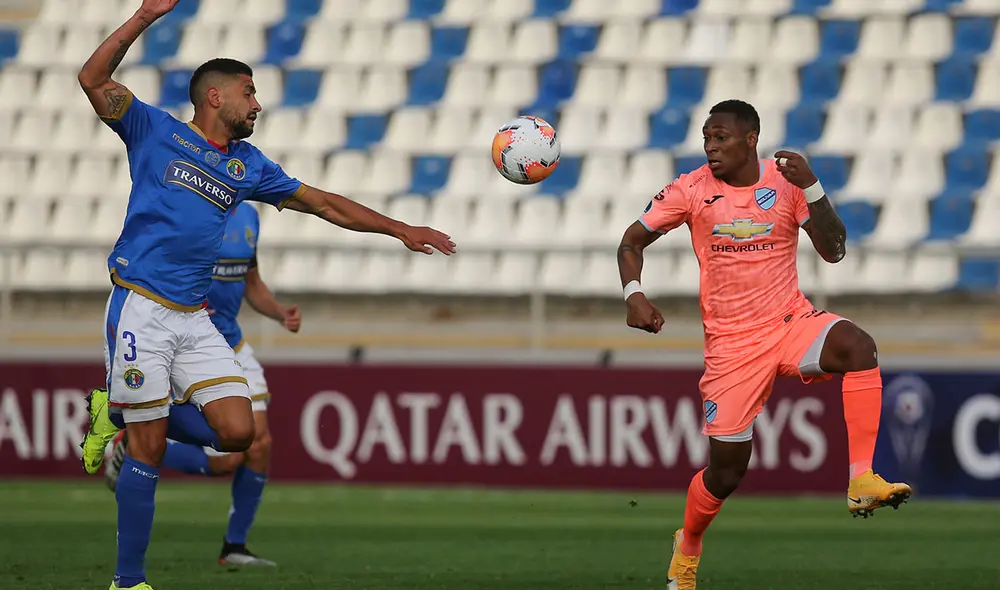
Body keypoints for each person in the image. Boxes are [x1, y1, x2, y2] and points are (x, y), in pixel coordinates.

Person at [77, 1, 455, 589]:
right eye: (249, 92)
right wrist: (146, 15)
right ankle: (129, 582)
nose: (258, 104)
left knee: (240, 433)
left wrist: (399, 228)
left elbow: (324, 204)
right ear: (215, 97)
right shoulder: (153, 129)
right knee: (148, 450)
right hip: (141, 307)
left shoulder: (247, 165)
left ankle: (121, 411)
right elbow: (92, 78)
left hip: (194, 318)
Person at [616, 99, 910, 589]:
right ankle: (688, 545)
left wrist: (813, 188)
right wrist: (634, 294)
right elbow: (631, 241)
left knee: (859, 347)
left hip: (789, 322)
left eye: (721, 138)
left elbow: (834, 252)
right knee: (725, 475)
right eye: (707, 138)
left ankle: (861, 478)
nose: (711, 147)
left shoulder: (787, 184)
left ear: (751, 139)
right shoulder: (690, 189)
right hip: (731, 347)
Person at [103, 200, 297, 567]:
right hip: (184, 343)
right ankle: (133, 436)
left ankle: (234, 547)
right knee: (225, 460)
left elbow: (252, 282)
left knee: (257, 444)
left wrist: (279, 312)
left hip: (231, 344)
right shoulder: (190, 210)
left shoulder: (249, 216)